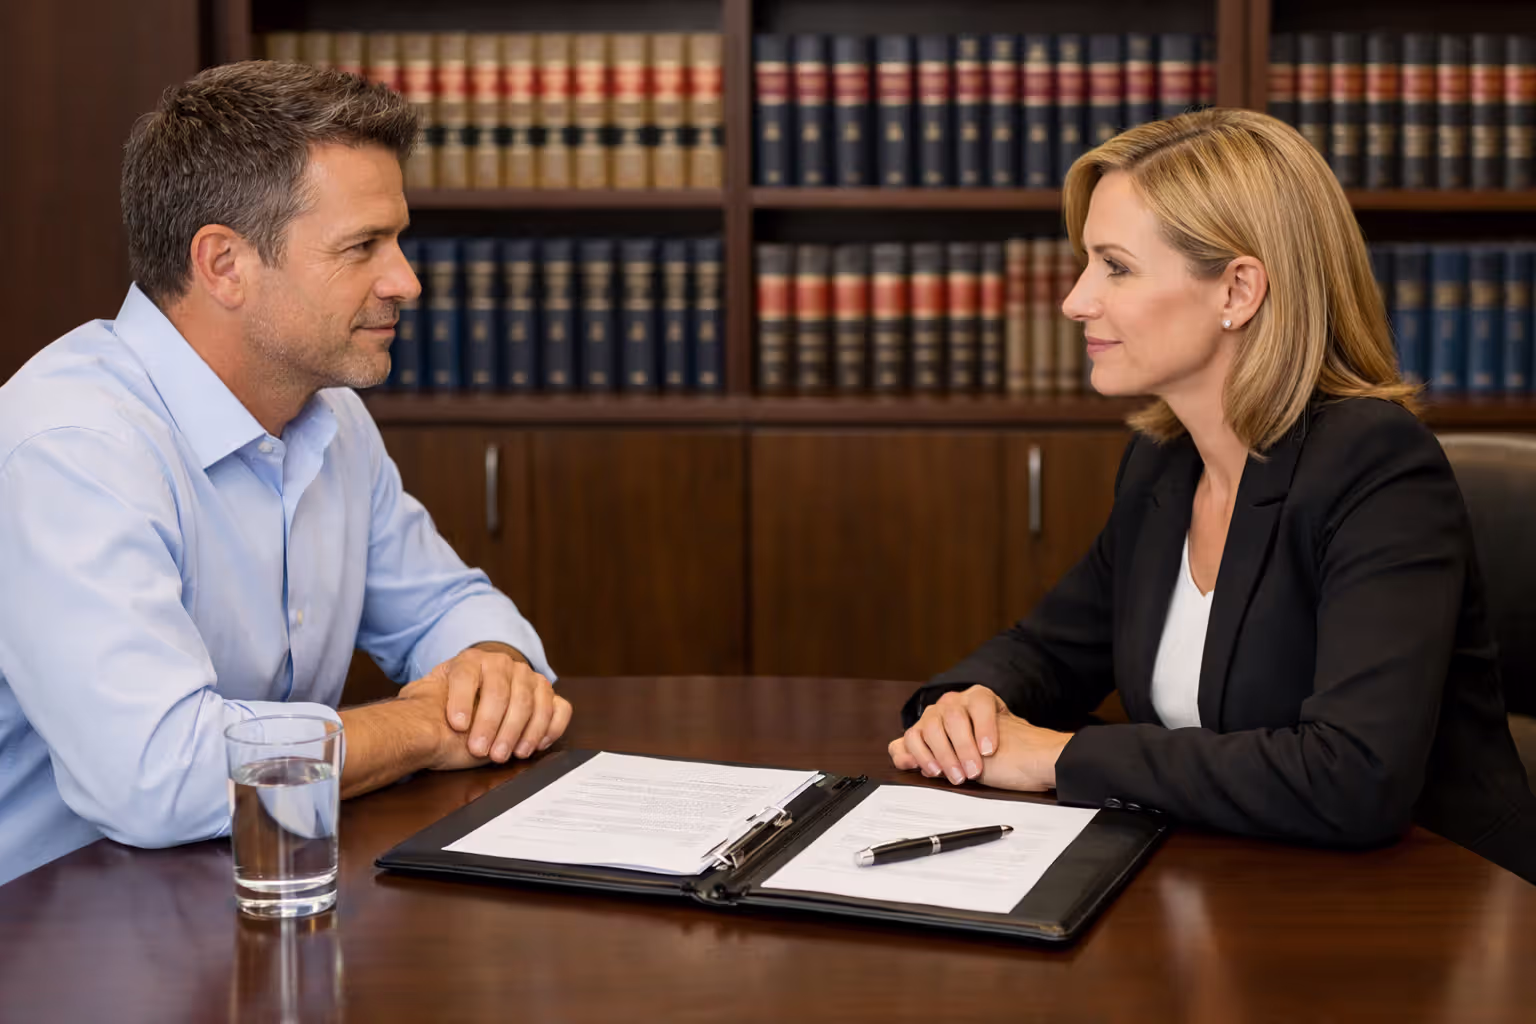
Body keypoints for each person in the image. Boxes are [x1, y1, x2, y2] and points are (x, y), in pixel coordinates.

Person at [890, 108, 1536, 883]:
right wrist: (969, 703)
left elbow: (1353, 777)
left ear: (1237, 288)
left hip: (1428, 910)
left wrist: (1062, 757)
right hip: (1238, 887)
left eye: (1115, 266)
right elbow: (1047, 650)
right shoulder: (1165, 463)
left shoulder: (1377, 466)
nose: (1075, 300)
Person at [0, 61, 570, 887]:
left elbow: (449, 607)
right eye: (362, 247)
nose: (406, 281)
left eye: (398, 239)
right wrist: (418, 731)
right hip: (54, 944)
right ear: (224, 264)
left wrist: (489, 665)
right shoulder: (69, 448)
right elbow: (159, 778)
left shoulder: (328, 416)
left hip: (251, 897)